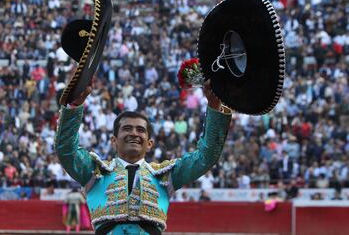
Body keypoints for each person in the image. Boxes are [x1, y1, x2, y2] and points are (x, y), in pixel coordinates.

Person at [55, 76, 232, 234]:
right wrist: (75, 106)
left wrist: (214, 107)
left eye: (140, 130)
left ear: (149, 144)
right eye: (127, 128)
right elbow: (66, 150)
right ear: (114, 140)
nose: (134, 133)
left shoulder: (165, 175)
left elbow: (206, 157)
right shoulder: (95, 172)